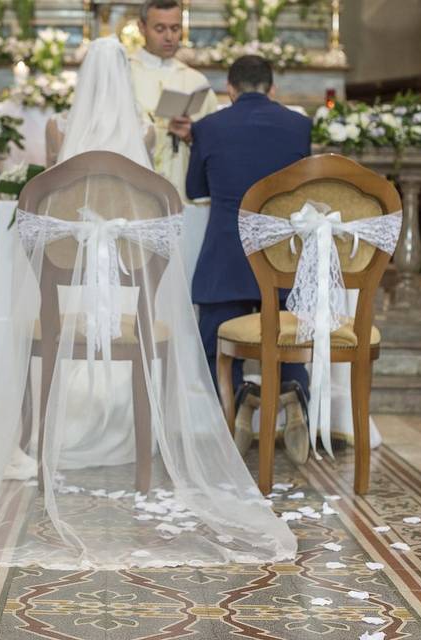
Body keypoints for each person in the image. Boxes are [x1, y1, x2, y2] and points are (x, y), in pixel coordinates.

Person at [175, 55, 311, 459]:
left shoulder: (208, 127)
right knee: (290, 337)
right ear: (272, 89)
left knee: (218, 344)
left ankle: (229, 415)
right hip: (282, 256)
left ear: (229, 91)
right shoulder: (298, 125)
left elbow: (196, 190)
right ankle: (292, 401)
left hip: (227, 257)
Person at [129, 0, 217, 201]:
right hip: (136, 182)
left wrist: (192, 134)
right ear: (141, 27)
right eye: (159, 29)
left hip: (183, 182)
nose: (169, 37)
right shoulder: (124, 74)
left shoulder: (195, 80)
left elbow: (215, 141)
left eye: (175, 28)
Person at [46, 37, 155, 168]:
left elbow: (48, 182)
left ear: (86, 72)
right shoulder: (146, 131)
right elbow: (149, 183)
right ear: (125, 74)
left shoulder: (56, 126)